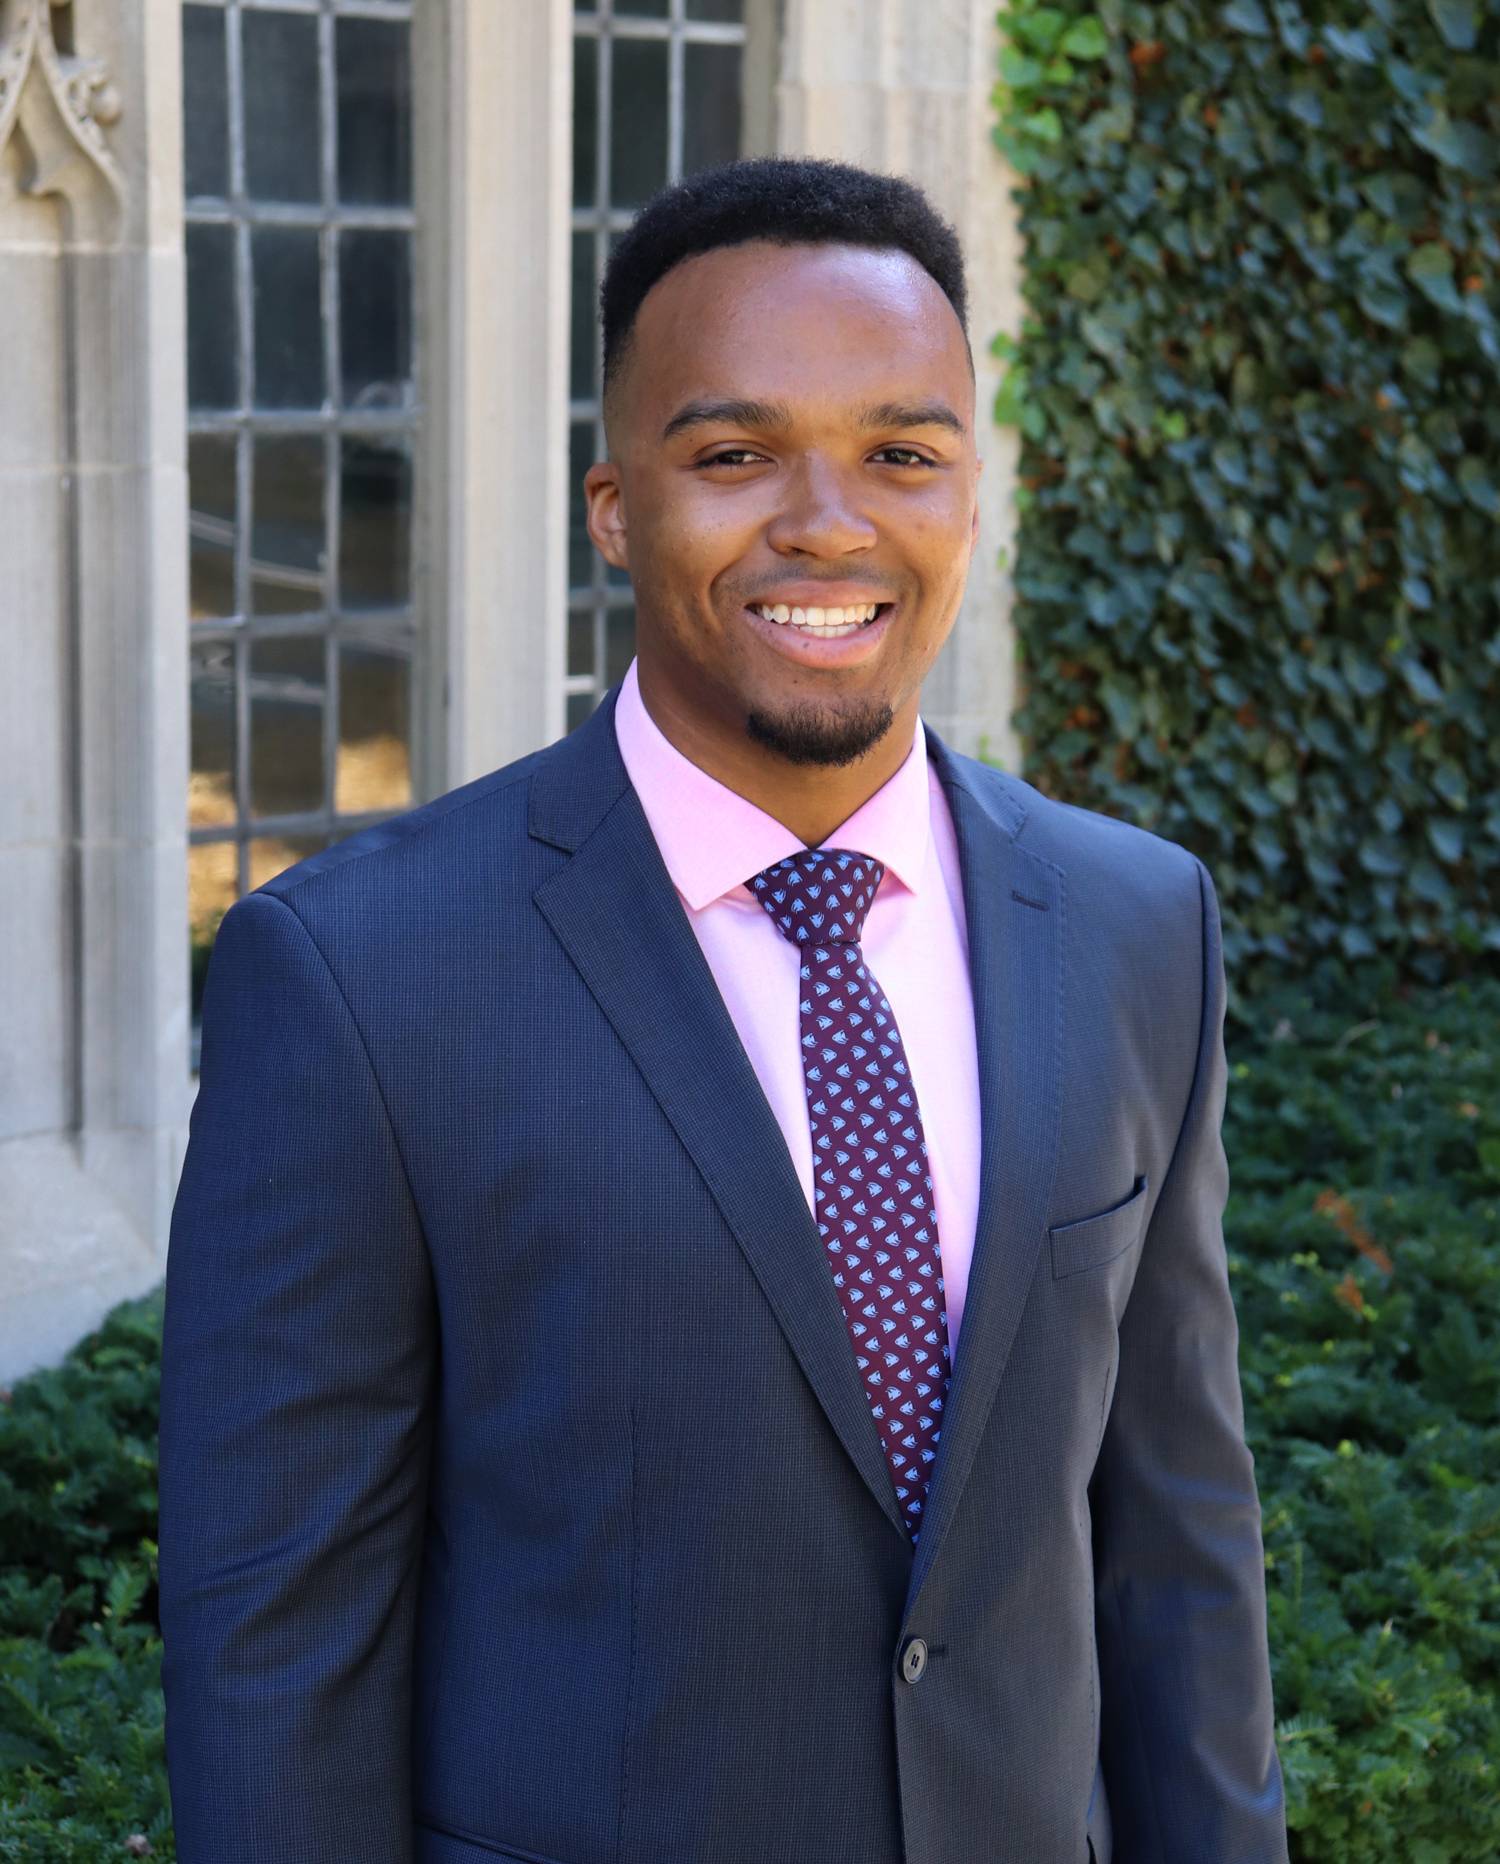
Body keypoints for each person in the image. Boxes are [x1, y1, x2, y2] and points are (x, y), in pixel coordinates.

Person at [157, 156, 1289, 1864]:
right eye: (737, 454)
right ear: (616, 505)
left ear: (972, 500)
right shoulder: (357, 977)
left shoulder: (1141, 925)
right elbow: (276, 1646)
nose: (829, 523)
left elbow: (1179, 1544)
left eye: (901, 454)